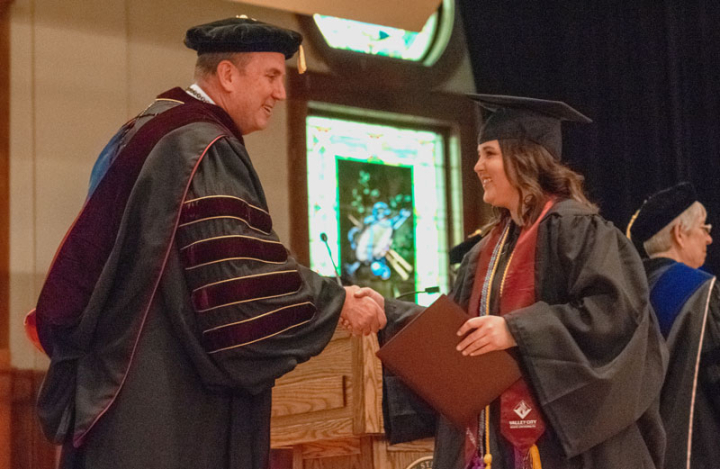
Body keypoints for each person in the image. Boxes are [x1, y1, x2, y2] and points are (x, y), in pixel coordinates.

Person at [25, 17, 385, 469]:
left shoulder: (147, 130)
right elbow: (235, 279)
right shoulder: (200, 146)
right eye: (271, 76)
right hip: (165, 398)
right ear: (228, 76)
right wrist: (334, 300)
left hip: (116, 386)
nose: (281, 93)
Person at [376, 94, 667, 468]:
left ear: (523, 157)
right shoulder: (484, 252)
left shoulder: (577, 230)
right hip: (490, 440)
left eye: (489, 153)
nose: (477, 165)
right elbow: (461, 331)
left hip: (559, 448)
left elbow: (615, 314)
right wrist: (386, 312)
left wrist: (517, 330)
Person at [627, 182, 720, 469]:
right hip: (696, 451)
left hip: (636, 452)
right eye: (705, 229)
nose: (709, 239)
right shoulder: (704, 293)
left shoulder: (627, 292)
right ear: (680, 234)